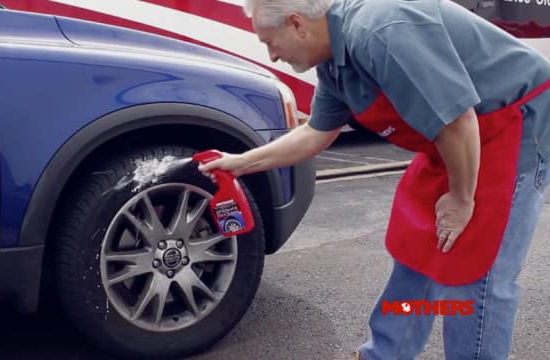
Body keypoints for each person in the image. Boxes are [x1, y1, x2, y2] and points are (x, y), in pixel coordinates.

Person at [197, 0, 550, 359]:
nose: (271, 56)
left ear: (297, 24)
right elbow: (315, 134)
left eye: (270, 42)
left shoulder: (381, 32)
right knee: (415, 253)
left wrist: (461, 200)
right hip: (457, 139)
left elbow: (457, 121)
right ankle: (385, 353)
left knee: (476, 274)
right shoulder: (335, 65)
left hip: (513, 126)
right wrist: (239, 163)